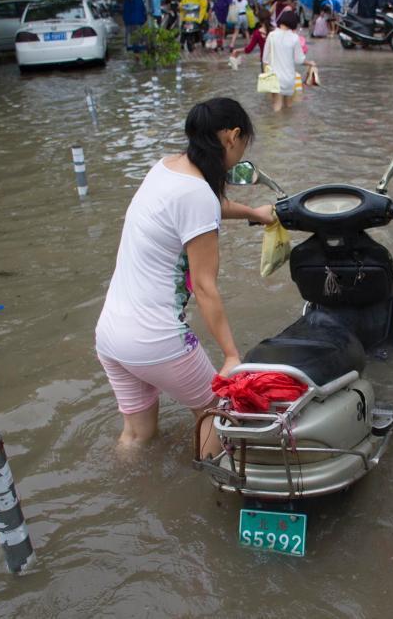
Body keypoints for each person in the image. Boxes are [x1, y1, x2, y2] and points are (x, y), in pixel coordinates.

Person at [95, 98, 275, 456]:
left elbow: (202, 207)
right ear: (233, 137)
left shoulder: (167, 168)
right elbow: (206, 288)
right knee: (216, 412)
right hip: (155, 338)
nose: (240, 154)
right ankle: (213, 496)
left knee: (136, 436)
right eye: (243, 145)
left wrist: (254, 212)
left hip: (111, 336)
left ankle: (127, 495)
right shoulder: (196, 194)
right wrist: (231, 354)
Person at [262, 11, 315, 112]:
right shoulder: (294, 38)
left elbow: (265, 59)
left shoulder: (271, 36)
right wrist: (310, 63)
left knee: (277, 105)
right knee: (289, 107)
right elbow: (299, 60)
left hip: (274, 77)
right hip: (289, 78)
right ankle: (288, 126)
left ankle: (277, 126)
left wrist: (266, 76)